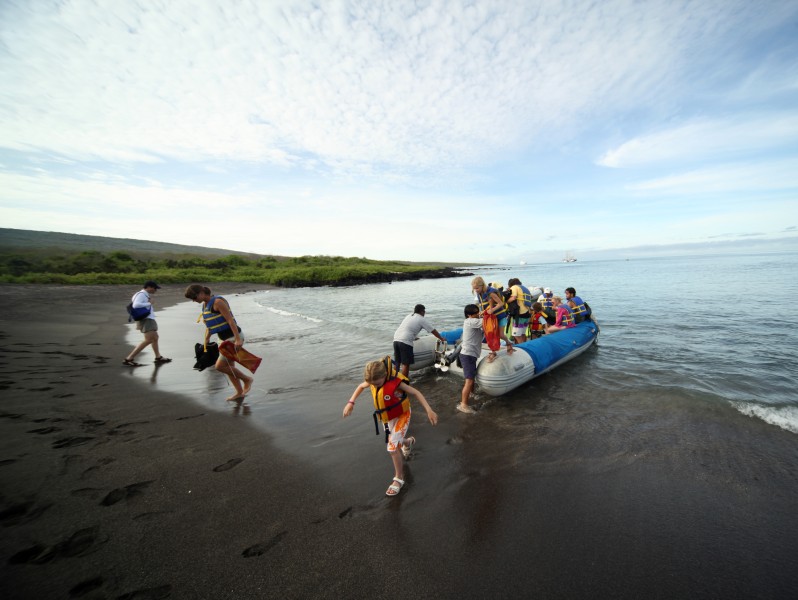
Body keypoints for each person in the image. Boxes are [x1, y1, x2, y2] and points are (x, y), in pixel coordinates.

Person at [343, 358, 438, 496]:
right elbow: (360, 386)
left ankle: (399, 478)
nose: (374, 387)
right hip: (387, 418)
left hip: (402, 416)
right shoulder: (373, 380)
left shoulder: (395, 382)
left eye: (377, 384)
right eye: (372, 385)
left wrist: (429, 410)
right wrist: (351, 402)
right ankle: (408, 442)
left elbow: (416, 393)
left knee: (392, 447)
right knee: (395, 441)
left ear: (384, 376)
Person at [184, 284, 253, 401]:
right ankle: (239, 393)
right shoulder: (205, 305)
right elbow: (211, 325)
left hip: (232, 337)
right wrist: (206, 339)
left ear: (201, 293)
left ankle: (247, 379)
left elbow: (230, 321)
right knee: (230, 367)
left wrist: (237, 339)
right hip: (222, 339)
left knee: (220, 366)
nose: (194, 301)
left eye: (194, 298)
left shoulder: (218, 302)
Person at [123, 281, 171, 366]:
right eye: (154, 288)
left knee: (155, 337)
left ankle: (158, 357)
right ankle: (129, 358)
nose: (155, 290)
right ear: (149, 287)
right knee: (149, 340)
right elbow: (135, 305)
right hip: (146, 319)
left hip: (147, 319)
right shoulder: (141, 294)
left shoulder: (143, 294)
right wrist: (149, 303)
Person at [393, 304, 446, 377]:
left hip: (396, 339)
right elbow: (433, 330)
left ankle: (393, 379)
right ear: (422, 311)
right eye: (424, 311)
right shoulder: (421, 319)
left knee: (397, 361)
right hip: (405, 341)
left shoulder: (409, 316)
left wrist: (414, 337)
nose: (424, 313)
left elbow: (407, 328)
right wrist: (441, 338)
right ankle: (404, 382)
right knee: (406, 364)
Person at [471, 276, 513, 361]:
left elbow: (501, 303)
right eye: (474, 289)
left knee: (500, 335)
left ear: (482, 285)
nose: (476, 290)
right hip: (490, 318)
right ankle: (493, 352)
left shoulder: (491, 293)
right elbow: (484, 306)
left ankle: (508, 343)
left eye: (477, 288)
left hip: (500, 316)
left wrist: (492, 309)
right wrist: (482, 312)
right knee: (490, 334)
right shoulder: (479, 294)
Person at [457, 303, 484, 414]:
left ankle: (472, 394)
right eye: (476, 313)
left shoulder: (474, 323)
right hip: (467, 355)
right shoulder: (469, 321)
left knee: (471, 378)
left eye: (478, 311)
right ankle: (463, 405)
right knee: (469, 381)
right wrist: (488, 312)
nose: (478, 314)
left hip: (471, 354)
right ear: (469, 315)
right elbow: (486, 321)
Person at [507, 278, 534, 343]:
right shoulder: (524, 288)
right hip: (527, 313)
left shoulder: (514, 287)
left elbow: (513, 298)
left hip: (520, 314)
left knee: (516, 335)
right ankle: (525, 346)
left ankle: (522, 348)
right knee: (522, 333)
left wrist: (506, 301)